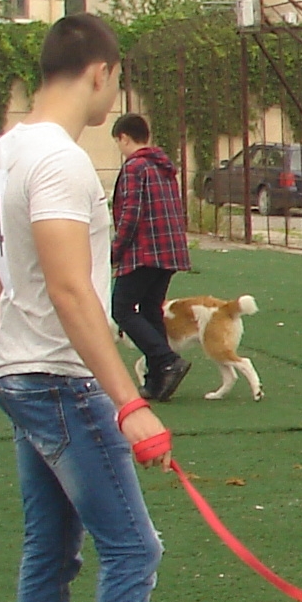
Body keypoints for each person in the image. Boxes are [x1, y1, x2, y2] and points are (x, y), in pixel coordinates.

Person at [0, 14, 229, 602]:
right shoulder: (58, 161)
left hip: (22, 370)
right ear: (99, 72)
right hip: (57, 380)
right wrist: (130, 400)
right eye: (115, 77)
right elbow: (68, 288)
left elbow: (7, 277)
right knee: (133, 549)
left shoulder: (1, 154)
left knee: (49, 553)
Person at [106, 113, 191, 403]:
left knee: (122, 308)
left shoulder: (135, 167)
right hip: (169, 249)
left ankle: (166, 360)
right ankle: (157, 380)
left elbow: (131, 213)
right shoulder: (163, 166)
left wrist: (115, 250)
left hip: (144, 250)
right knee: (151, 308)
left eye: (119, 142)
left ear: (124, 138)